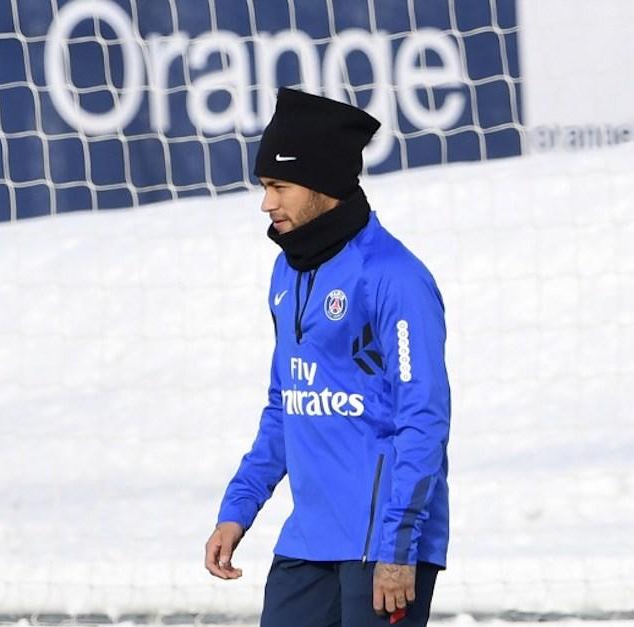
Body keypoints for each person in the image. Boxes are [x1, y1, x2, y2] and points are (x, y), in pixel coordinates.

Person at [204, 88, 451, 627]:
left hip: (383, 545)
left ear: (324, 184)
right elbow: (286, 403)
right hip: (308, 540)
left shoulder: (394, 277)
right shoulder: (287, 271)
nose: (267, 204)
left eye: (280, 187)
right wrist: (238, 508)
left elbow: (424, 419)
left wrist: (398, 548)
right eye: (264, 187)